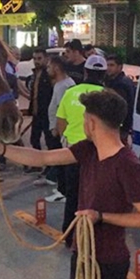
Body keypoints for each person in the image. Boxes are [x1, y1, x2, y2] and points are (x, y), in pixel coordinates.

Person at [0, 90, 140, 279]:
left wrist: (100, 216)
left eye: (85, 117)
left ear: (92, 122)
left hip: (108, 260)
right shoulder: (89, 149)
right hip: (82, 254)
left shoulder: (129, 166)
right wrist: (1, 149)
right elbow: (44, 157)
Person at [56, 54, 107, 244]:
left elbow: (61, 121)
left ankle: (70, 235)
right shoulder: (107, 96)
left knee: (74, 194)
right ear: (103, 74)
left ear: (85, 72)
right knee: (94, 196)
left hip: (73, 152)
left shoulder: (71, 92)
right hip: (97, 153)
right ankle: (89, 236)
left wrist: (66, 138)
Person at [39, 56, 76, 201]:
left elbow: (63, 109)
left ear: (56, 68)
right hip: (56, 128)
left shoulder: (64, 86)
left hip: (58, 130)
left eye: (49, 67)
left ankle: (63, 191)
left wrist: (57, 129)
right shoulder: (61, 84)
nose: (47, 70)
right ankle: (62, 187)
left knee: (60, 160)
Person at [24, 48, 56, 174]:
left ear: (46, 58)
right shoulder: (34, 75)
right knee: (34, 139)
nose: (37, 61)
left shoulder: (49, 75)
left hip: (47, 113)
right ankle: (37, 164)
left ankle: (50, 167)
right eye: (35, 59)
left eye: (39, 58)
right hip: (37, 113)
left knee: (49, 141)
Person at [105, 54, 136, 145]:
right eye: (107, 65)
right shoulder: (122, 81)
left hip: (120, 127)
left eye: (112, 65)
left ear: (120, 67)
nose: (108, 68)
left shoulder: (120, 84)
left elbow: (119, 106)